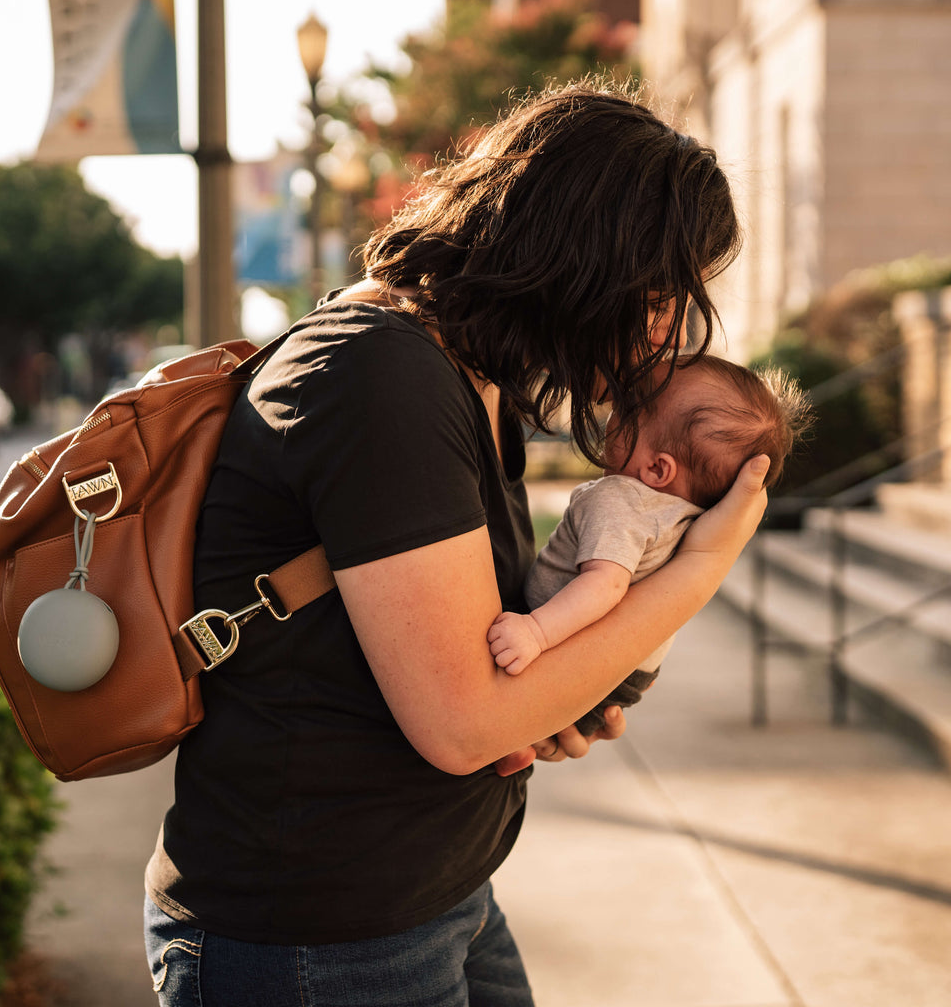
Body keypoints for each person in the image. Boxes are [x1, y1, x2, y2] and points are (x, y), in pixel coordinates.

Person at [143, 80, 771, 1007]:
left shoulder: (463, 371)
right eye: (654, 293)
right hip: (318, 935)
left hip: (432, 891)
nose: (664, 329)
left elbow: (478, 652)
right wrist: (708, 563)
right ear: (577, 260)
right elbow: (461, 721)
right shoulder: (380, 375)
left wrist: (561, 693)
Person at [489, 356, 810, 734]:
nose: (612, 411)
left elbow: (605, 585)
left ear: (658, 469)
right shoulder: (686, 516)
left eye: (628, 411)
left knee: (507, 725)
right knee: (536, 735)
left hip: (563, 649)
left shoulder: (621, 500)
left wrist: (535, 633)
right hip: (628, 667)